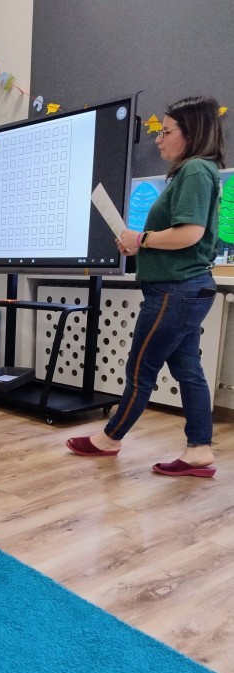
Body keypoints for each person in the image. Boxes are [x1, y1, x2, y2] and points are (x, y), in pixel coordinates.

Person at [67, 96, 225, 478]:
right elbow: (178, 237)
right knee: (187, 369)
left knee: (141, 368)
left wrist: (141, 238)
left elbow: (190, 233)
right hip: (185, 288)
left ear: (192, 133)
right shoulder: (197, 172)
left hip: (176, 291)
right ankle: (199, 449)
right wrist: (140, 244)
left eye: (166, 132)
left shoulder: (195, 171)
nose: (158, 139)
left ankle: (110, 438)